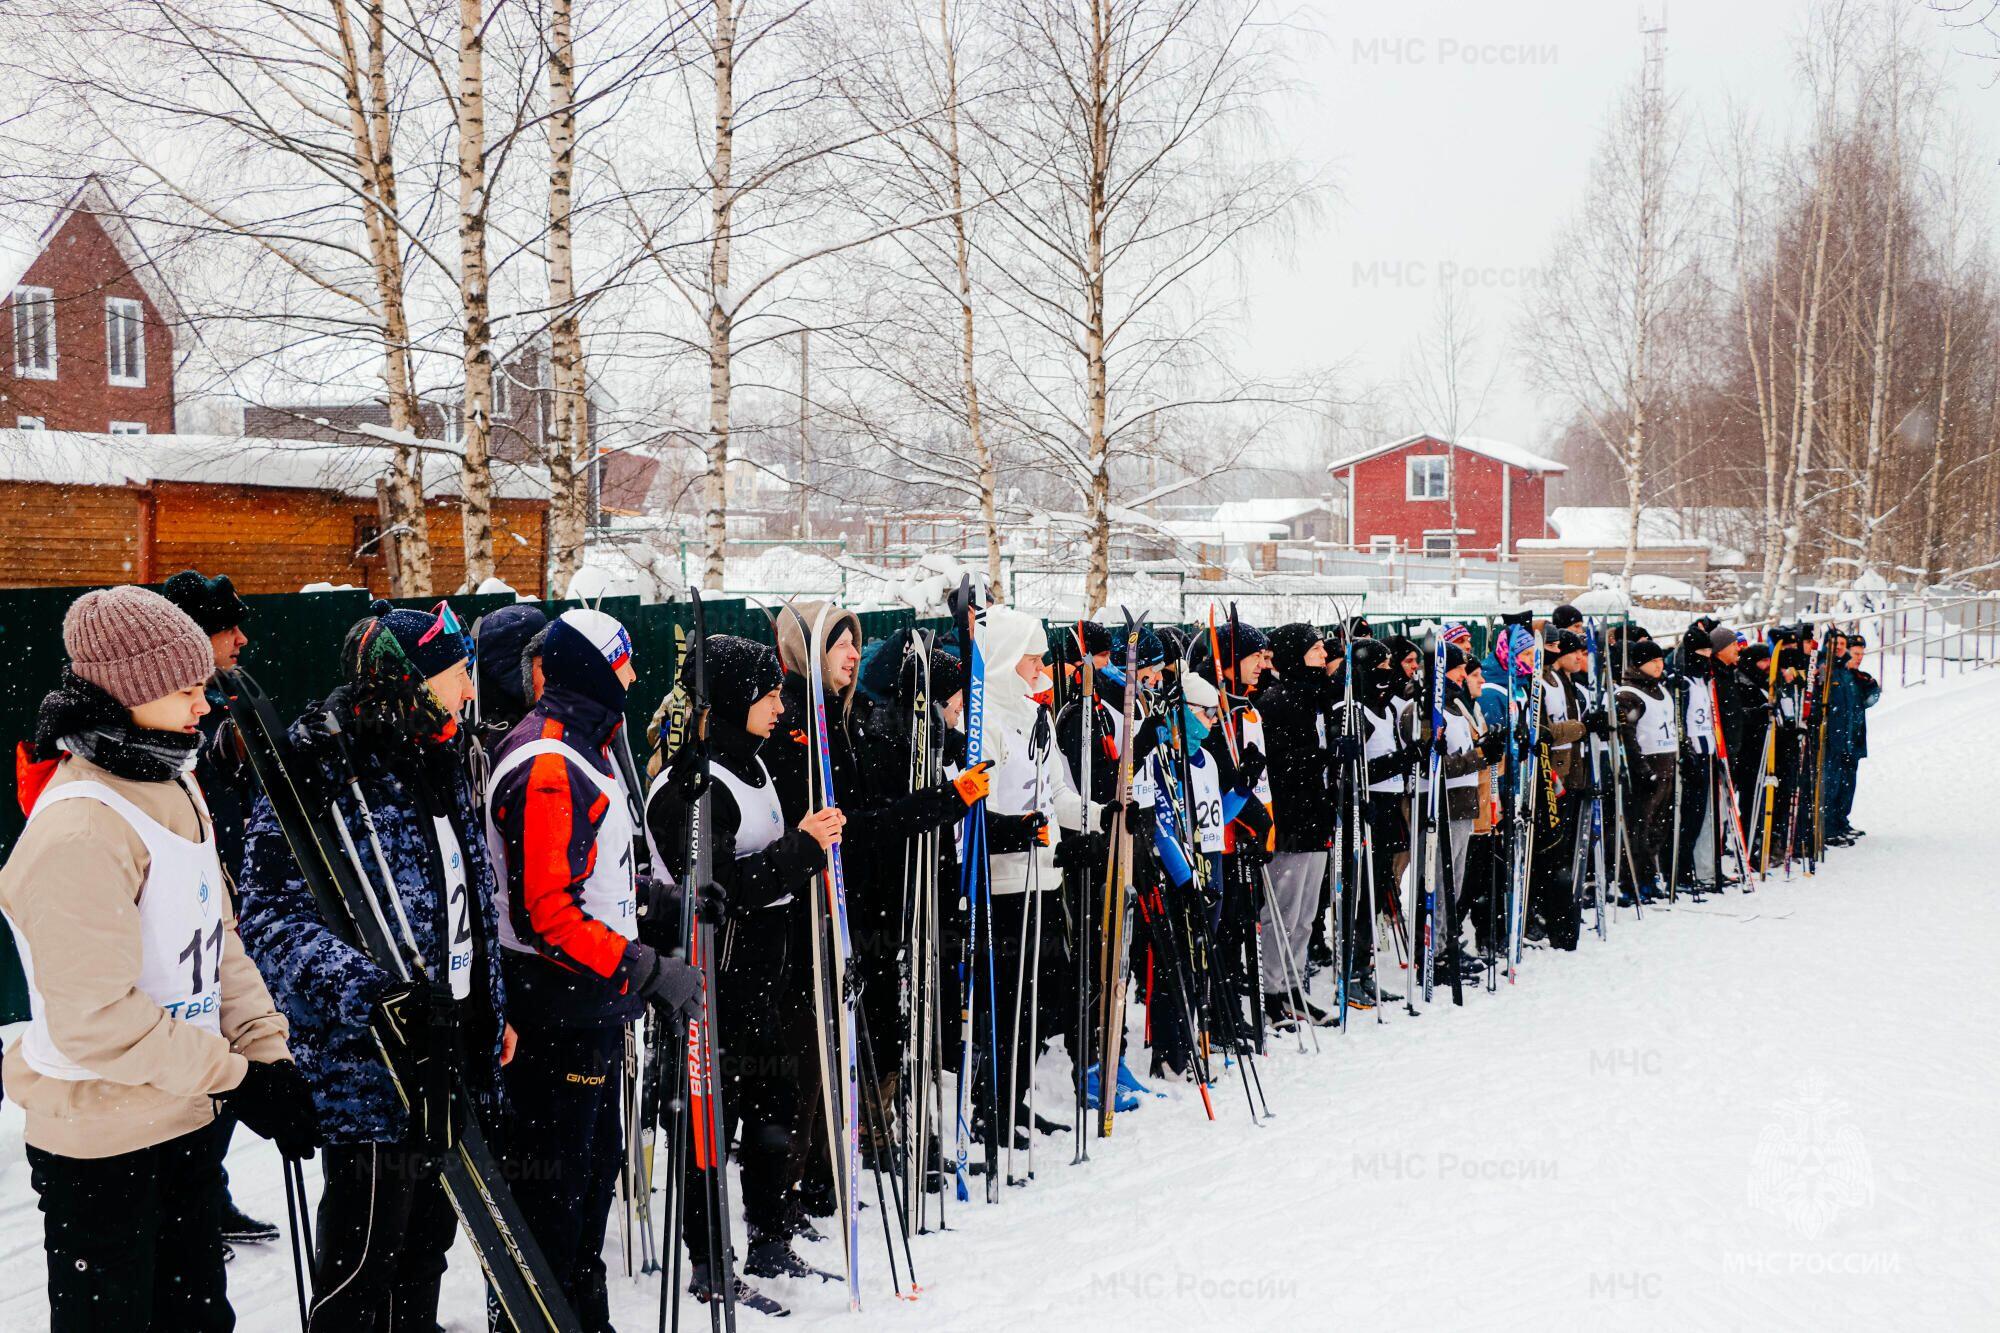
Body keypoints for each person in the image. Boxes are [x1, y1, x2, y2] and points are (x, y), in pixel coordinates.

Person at [5, 585, 314, 1333]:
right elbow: (96, 1018)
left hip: (183, 1119)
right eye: (184, 689)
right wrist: (237, 1078)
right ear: (129, 692)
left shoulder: (173, 781)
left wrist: (267, 1055)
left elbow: (216, 937)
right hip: (104, 1149)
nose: (204, 703)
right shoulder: (81, 829)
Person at [235, 600, 503, 1331]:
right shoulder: (322, 768)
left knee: (426, 1249)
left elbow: (467, 897)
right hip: (371, 1066)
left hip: (448, 1049)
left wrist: (490, 1008)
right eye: (455, 674)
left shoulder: (441, 756)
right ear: (407, 681)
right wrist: (375, 996)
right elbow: (271, 922)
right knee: (362, 1268)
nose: (468, 689)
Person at [485, 606, 701, 1328]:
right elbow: (548, 913)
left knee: (591, 1182)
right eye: (622, 664)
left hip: (587, 1005)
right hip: (556, 1013)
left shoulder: (586, 747)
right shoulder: (550, 763)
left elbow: (592, 873)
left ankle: (585, 1318)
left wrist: (661, 906)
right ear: (590, 670)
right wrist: (645, 969)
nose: (634, 679)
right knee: (557, 1199)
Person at [646, 633, 845, 1306]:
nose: (781, 707)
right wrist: (802, 849)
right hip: (710, 981)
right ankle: (709, 1261)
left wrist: (808, 841)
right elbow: (719, 889)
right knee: (708, 1125)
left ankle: (769, 1236)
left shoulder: (751, 764)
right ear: (734, 697)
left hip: (763, 976)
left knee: (772, 1109)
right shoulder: (692, 784)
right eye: (769, 695)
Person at [159, 567, 281, 1249]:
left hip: (227, 913)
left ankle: (207, 1193)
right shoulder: (159, 730)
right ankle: (189, 1205)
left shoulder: (221, 707)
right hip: (182, 923)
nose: (241, 639)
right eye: (226, 627)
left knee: (229, 1042)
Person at [1255, 624, 1336, 1027]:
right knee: (1283, 914)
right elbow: (1278, 763)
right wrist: (1322, 756)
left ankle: (1292, 985)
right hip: (1290, 821)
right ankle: (1272, 990)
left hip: (1317, 817)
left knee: (1306, 914)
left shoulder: (1318, 696)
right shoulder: (1277, 700)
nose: (1323, 654)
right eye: (1315, 648)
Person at [1614, 639, 1677, 902]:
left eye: (1661, 660)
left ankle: (1649, 876)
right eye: (1653, 661)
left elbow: (1672, 724)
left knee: (1657, 828)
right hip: (1646, 768)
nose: (1659, 665)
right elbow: (1627, 736)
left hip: (1667, 765)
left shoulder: (1662, 689)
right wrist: (1641, 769)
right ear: (1640, 664)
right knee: (1638, 828)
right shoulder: (1629, 694)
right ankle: (1631, 880)